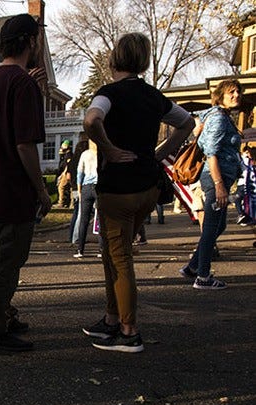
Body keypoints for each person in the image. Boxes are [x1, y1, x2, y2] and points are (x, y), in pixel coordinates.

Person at [82, 32, 194, 352]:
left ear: (114, 59)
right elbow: (187, 124)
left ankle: (129, 331)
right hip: (148, 186)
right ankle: (111, 319)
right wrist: (160, 154)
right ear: (142, 61)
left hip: (118, 188)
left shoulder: (108, 94)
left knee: (120, 259)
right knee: (114, 252)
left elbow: (92, 120)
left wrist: (110, 149)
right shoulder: (153, 96)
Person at [0, 14, 50, 353]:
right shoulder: (22, 84)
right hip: (12, 188)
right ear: (30, 42)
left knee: (0, 258)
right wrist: (42, 189)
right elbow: (24, 143)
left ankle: (5, 314)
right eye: (37, 40)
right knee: (8, 262)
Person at [180, 78, 242, 290]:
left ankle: (192, 267)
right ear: (221, 96)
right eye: (231, 92)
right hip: (216, 177)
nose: (236, 95)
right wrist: (219, 184)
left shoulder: (222, 117)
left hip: (221, 177)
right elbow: (211, 153)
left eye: (238, 92)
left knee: (219, 225)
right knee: (210, 227)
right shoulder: (218, 118)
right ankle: (203, 277)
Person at [72, 139, 99, 258]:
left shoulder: (85, 154)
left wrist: (79, 190)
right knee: (100, 219)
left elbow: (79, 173)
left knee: (84, 219)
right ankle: (101, 249)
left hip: (86, 186)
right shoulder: (102, 153)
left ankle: (80, 250)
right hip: (99, 186)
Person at [56, 140, 73, 208]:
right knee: (69, 188)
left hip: (67, 173)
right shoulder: (66, 155)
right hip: (66, 173)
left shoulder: (69, 155)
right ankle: (70, 203)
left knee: (61, 187)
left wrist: (64, 173)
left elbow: (68, 165)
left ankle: (61, 202)